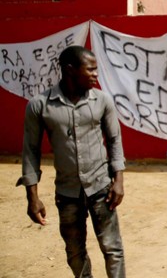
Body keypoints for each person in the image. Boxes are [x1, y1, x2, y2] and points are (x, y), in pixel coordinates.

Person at [17, 45, 126, 277]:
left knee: (112, 249)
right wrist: (32, 198)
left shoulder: (102, 101)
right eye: (91, 70)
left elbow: (114, 141)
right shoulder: (40, 105)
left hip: (100, 189)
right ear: (70, 70)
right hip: (67, 194)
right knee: (74, 253)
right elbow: (30, 152)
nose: (96, 75)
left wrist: (118, 180)